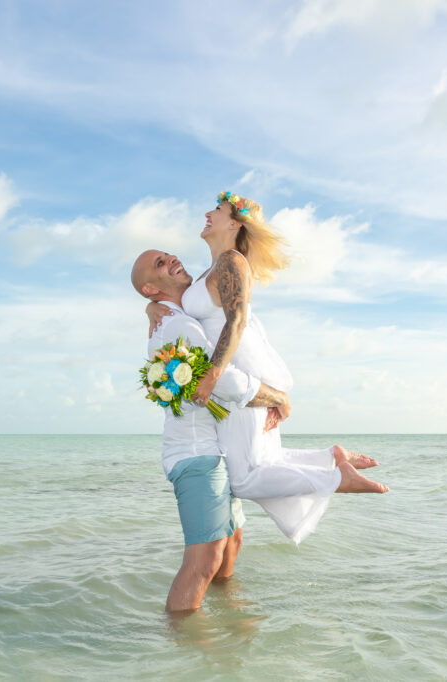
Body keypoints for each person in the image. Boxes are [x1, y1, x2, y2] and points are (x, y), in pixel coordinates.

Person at [148, 191, 388, 543]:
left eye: (217, 209)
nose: (207, 213)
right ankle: (330, 459)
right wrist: (151, 307)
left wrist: (213, 374)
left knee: (244, 477)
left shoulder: (232, 260)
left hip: (240, 372)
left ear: (233, 222)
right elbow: (183, 308)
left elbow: (239, 318)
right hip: (237, 376)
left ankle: (336, 478)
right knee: (261, 459)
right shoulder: (210, 269)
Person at [131, 249, 296, 612]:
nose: (172, 259)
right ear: (149, 288)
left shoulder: (176, 317)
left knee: (230, 545)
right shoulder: (176, 325)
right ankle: (184, 646)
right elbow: (222, 382)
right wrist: (276, 397)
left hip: (216, 451)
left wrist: (150, 306)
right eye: (160, 264)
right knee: (203, 560)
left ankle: (228, 624)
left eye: (168, 255)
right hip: (196, 454)